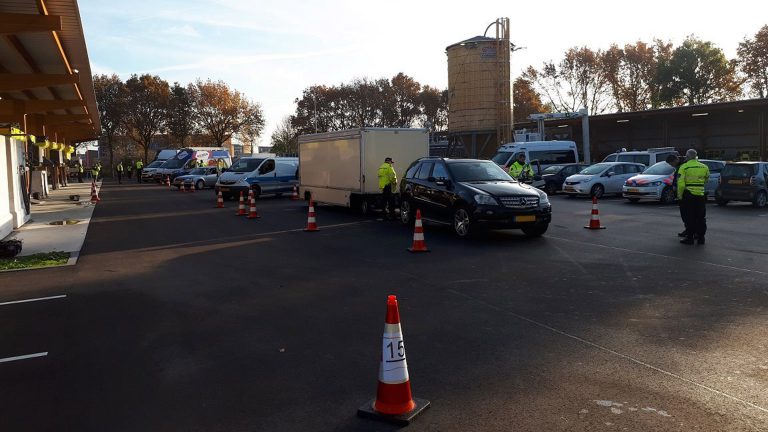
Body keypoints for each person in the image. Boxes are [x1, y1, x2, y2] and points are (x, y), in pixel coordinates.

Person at [677, 149, 710, 245]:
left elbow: (681, 184)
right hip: (700, 195)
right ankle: (701, 238)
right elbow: (707, 180)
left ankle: (690, 238)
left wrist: (680, 196)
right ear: (696, 156)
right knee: (701, 218)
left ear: (687, 157)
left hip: (688, 196)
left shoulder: (684, 167)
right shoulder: (704, 167)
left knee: (689, 217)